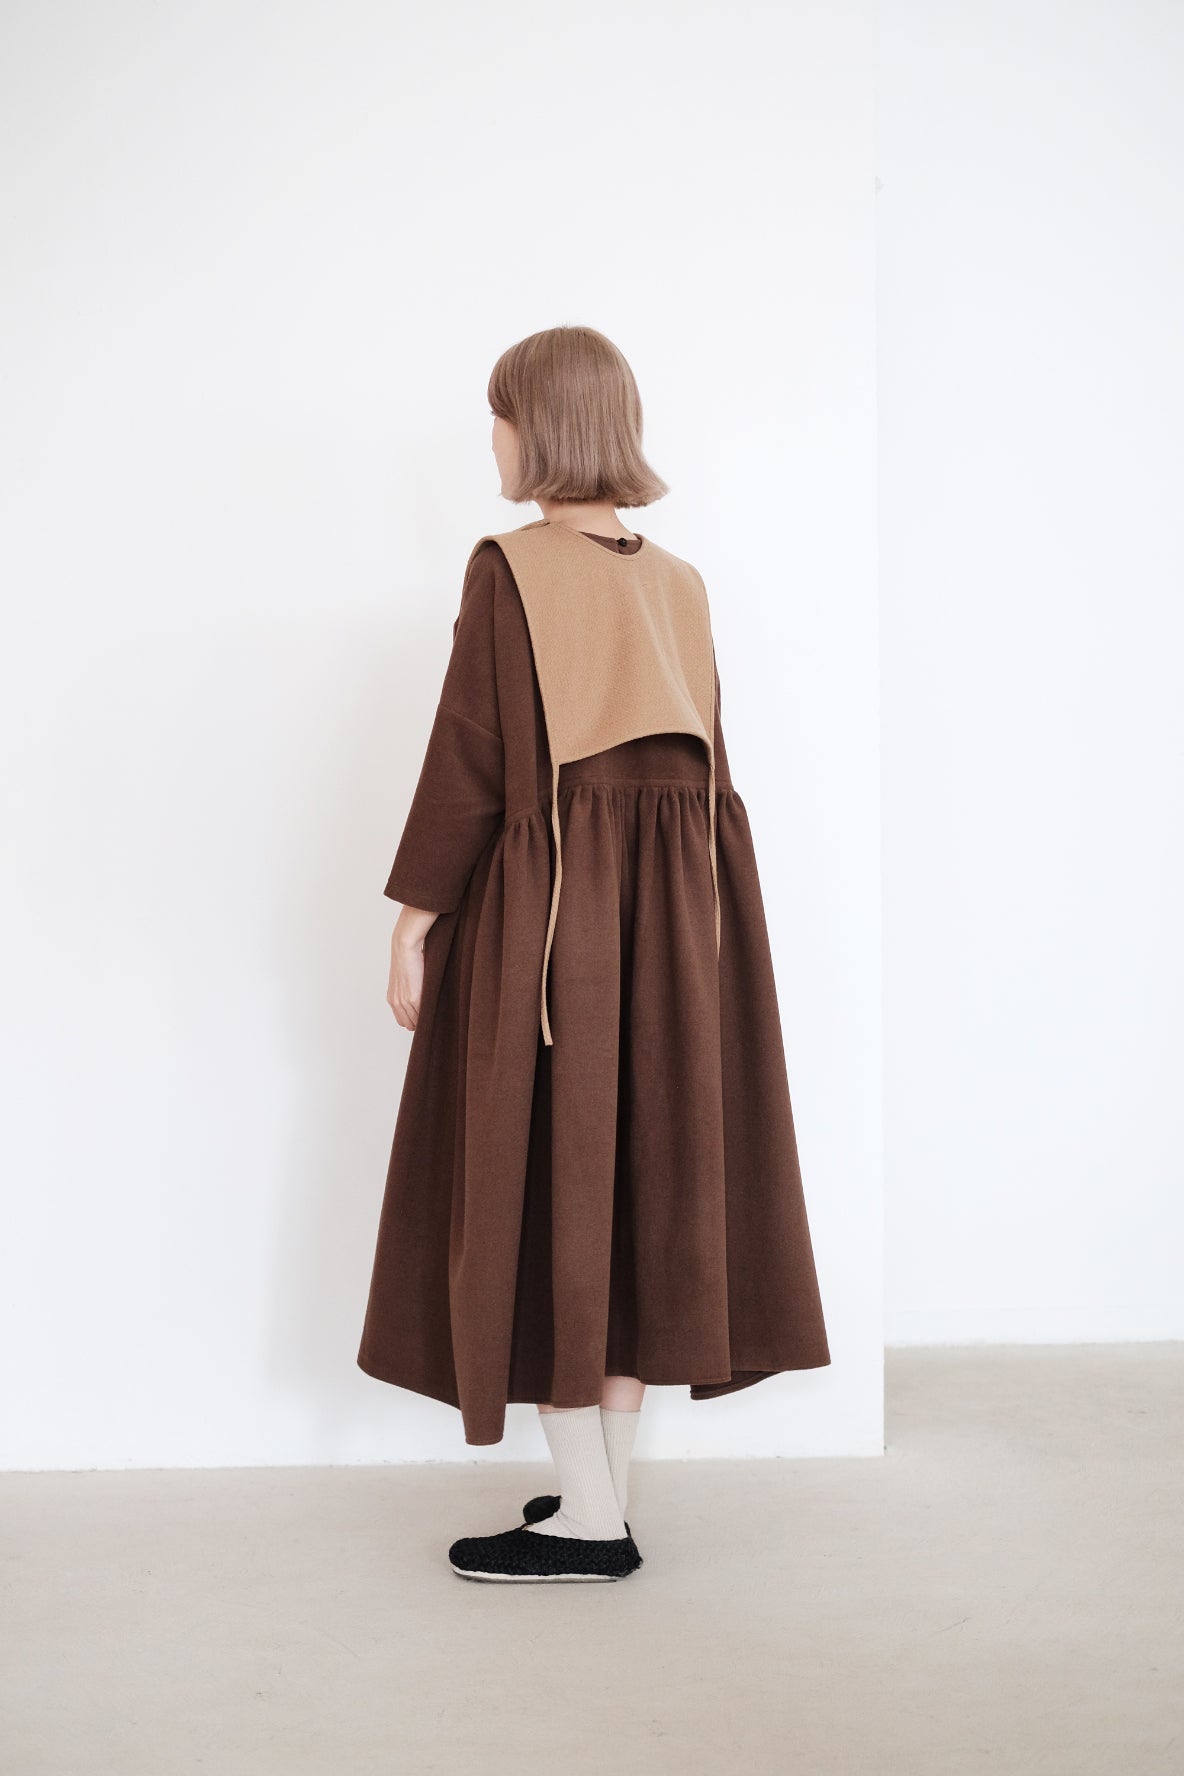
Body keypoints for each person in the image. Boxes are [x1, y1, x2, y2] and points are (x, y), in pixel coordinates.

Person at [356, 325, 830, 1584]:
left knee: (545, 1186)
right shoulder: (679, 582)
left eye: (500, 415)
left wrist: (413, 919)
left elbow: (468, 761)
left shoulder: (510, 572)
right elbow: (703, 778)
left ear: (541, 429)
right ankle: (596, 1494)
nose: (492, 438)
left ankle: (587, 1521)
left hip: (554, 927)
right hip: (681, 930)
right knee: (627, 1194)